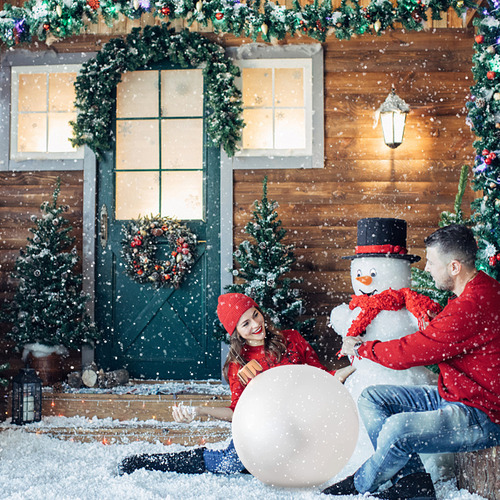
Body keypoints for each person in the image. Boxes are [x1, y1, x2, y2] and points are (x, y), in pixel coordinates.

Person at [322, 224, 500, 499]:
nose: (426, 269)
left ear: (454, 267)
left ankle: (359, 485)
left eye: (431, 262)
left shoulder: (472, 305)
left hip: (482, 414)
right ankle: (413, 479)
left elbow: (412, 351)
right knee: (372, 398)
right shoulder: (477, 290)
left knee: (397, 429)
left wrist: (363, 349)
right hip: (454, 394)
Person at [119, 292, 337, 475]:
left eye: (255, 314)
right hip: (262, 429)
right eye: (246, 323)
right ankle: (147, 462)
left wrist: (349, 366)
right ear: (236, 332)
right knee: (229, 464)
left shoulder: (291, 339)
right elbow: (237, 412)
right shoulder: (238, 365)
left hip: (300, 421)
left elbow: (319, 375)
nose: (256, 324)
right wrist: (200, 410)